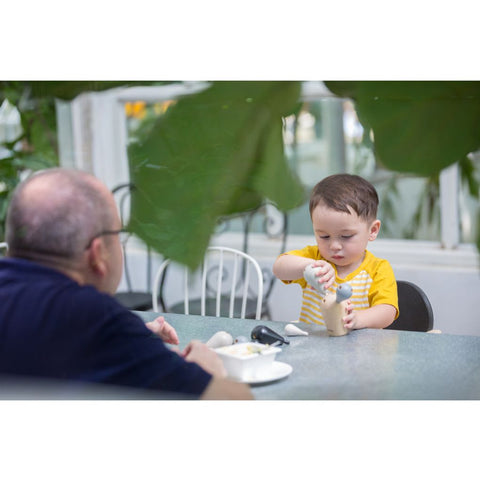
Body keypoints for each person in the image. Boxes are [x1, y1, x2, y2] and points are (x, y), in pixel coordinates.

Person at [0, 168, 253, 400]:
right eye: (117, 234)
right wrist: (210, 370)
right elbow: (237, 402)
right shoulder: (96, 320)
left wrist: (136, 341)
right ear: (98, 253)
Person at [273, 173, 398, 330]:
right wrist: (309, 267)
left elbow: (387, 312)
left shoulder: (378, 269)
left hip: (359, 351)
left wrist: (359, 319)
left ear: (372, 230)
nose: (334, 246)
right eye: (324, 236)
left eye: (346, 236)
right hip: (311, 348)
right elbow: (279, 268)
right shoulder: (315, 257)